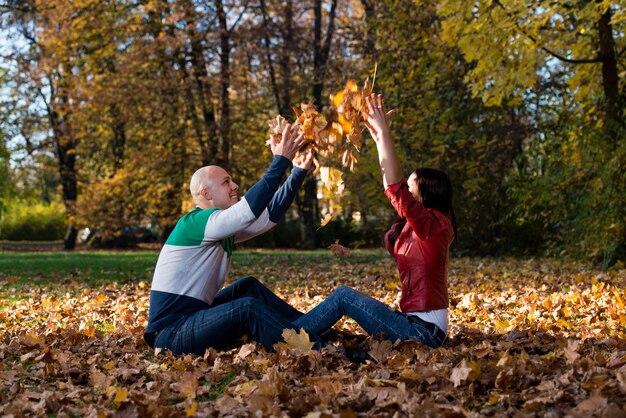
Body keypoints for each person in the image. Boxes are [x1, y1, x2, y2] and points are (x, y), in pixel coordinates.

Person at [292, 93, 457, 349]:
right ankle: (292, 331)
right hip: (413, 324)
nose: (405, 188)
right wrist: (379, 137)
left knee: (344, 296)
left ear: (426, 192)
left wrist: (384, 133)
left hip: (425, 334)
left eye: (410, 185)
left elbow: (394, 187)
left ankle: (286, 337)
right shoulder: (414, 230)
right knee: (341, 310)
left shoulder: (435, 227)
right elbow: (393, 187)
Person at [144, 124, 319, 355]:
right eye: (226, 182)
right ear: (205, 194)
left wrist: (297, 171)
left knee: (248, 287)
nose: (235, 186)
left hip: (191, 318)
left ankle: (313, 330)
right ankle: (319, 349)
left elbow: (266, 217)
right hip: (171, 333)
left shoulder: (219, 227)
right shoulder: (195, 222)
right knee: (247, 308)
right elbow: (247, 212)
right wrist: (280, 161)